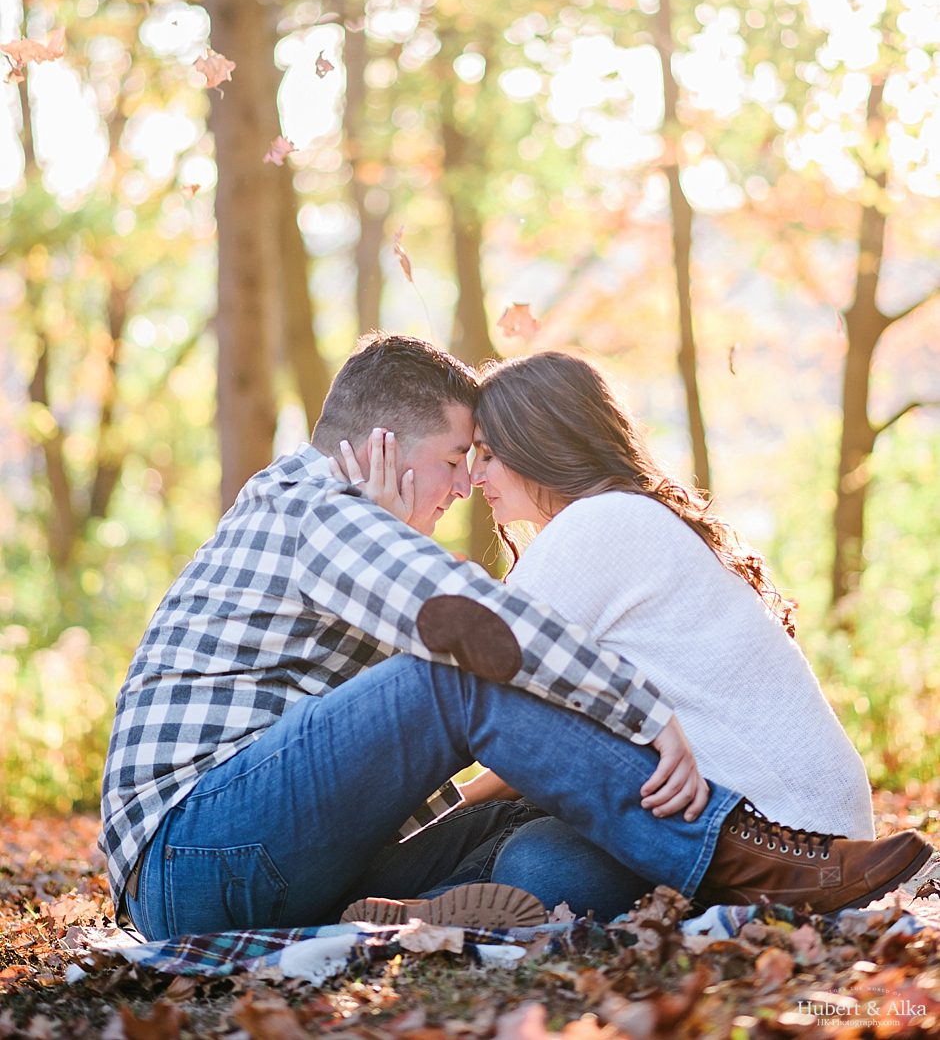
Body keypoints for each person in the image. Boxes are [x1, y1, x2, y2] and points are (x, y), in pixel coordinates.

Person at [100, 334, 930, 940]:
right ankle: (753, 861)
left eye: (483, 459)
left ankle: (431, 916)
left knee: (538, 852)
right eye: (460, 455)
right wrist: (644, 712)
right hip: (194, 853)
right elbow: (483, 645)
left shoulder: (362, 530)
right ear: (385, 444)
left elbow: (419, 724)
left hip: (248, 852)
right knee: (470, 682)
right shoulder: (318, 509)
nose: (465, 485)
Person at [448, 348, 918, 915]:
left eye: (490, 455)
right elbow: (547, 737)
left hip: (787, 835)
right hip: (810, 821)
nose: (474, 476)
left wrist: (440, 813)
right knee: (524, 850)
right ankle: (413, 904)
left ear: (540, 444)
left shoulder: (598, 525)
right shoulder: (631, 516)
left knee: (534, 864)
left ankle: (397, 903)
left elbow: (469, 691)